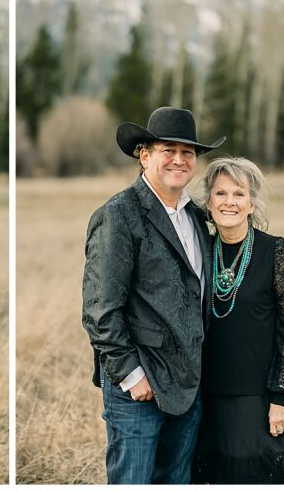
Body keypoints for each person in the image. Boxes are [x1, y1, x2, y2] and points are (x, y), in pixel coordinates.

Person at [81, 107, 223, 484]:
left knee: (175, 481)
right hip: (139, 387)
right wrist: (131, 376)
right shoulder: (119, 214)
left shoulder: (195, 216)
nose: (179, 160)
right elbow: (100, 310)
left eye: (188, 152)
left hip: (188, 382)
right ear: (144, 155)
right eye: (168, 150)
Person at [190, 158, 284, 484]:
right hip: (208, 396)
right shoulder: (200, 250)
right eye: (221, 193)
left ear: (251, 203)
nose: (229, 201)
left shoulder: (274, 251)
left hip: (260, 398)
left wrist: (282, 397)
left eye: (238, 194)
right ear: (209, 202)